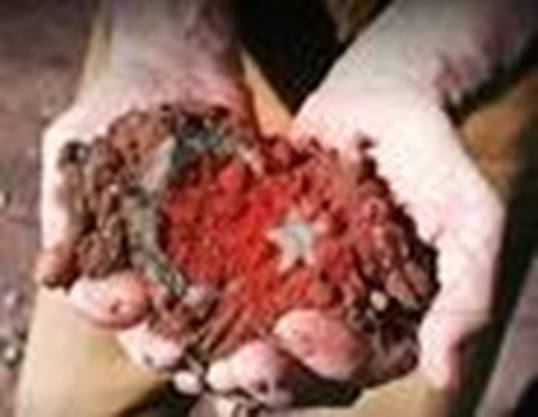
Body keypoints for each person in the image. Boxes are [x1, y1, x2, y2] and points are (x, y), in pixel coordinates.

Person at [17, 0, 537, 416]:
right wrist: (166, 29)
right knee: (69, 396)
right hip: (226, 33)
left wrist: (423, 56)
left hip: (459, 67)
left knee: (402, 375)